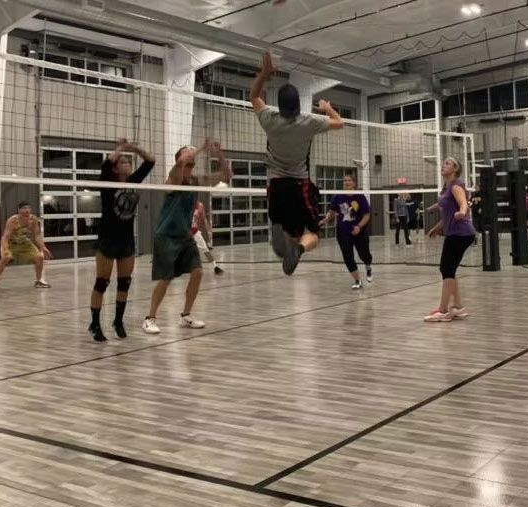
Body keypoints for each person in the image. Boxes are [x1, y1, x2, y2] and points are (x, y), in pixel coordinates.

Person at [250, 52, 344, 275]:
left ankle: (282, 233)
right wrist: (327, 107)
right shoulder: (309, 122)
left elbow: (254, 96)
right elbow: (340, 123)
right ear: (298, 106)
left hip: (276, 185)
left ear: (279, 105)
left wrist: (264, 74)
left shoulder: (269, 119)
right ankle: (299, 249)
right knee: (312, 233)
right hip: (299, 185)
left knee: (286, 227)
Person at [143, 140, 231, 335]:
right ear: (180, 160)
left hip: (185, 235)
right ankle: (150, 318)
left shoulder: (196, 180)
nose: (192, 157)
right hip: (166, 236)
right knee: (165, 279)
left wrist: (219, 154)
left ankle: (185, 316)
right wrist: (198, 149)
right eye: (187, 155)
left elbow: (226, 176)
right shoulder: (172, 179)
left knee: (198, 272)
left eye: (193, 158)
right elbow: (180, 166)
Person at [89, 138, 155, 342]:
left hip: (126, 240)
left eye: (128, 161)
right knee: (102, 283)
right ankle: (95, 324)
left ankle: (118, 321)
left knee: (124, 283)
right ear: (116, 169)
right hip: (107, 240)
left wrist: (133, 149)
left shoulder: (134, 181)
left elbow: (150, 161)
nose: (127, 163)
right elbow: (107, 162)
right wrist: (120, 149)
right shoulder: (107, 183)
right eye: (123, 162)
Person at [425, 157, 475, 322]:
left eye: (448, 163)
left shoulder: (455, 185)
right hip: (456, 233)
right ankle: (458, 307)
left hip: (460, 233)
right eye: (444, 162)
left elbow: (463, 203)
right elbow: (446, 215)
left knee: (446, 269)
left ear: (455, 169)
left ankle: (443, 310)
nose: (443, 165)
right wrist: (436, 228)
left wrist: (462, 211)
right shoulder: (446, 188)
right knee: (449, 270)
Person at [321, 174, 373, 290]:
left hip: (359, 231)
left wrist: (359, 227)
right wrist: (325, 220)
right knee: (347, 257)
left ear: (354, 183)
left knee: (364, 255)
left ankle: (368, 266)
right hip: (343, 231)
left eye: (349, 180)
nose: (346, 182)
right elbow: (332, 212)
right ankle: (357, 280)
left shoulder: (360, 197)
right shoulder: (337, 197)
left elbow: (367, 215)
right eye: (344, 181)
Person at [0, 202, 52, 288]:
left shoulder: (33, 219)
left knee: (39, 257)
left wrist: (43, 247)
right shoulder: (13, 220)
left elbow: (37, 235)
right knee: (5, 258)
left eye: (28, 208)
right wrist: (5, 249)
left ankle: (39, 281)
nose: (27, 210)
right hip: (10, 243)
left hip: (25, 243)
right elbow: (5, 236)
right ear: (19, 210)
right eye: (24, 208)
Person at [191, 200, 223, 275]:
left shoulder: (200, 206)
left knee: (205, 249)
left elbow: (204, 219)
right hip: (185, 232)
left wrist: (208, 231)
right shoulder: (183, 204)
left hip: (195, 232)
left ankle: (215, 266)